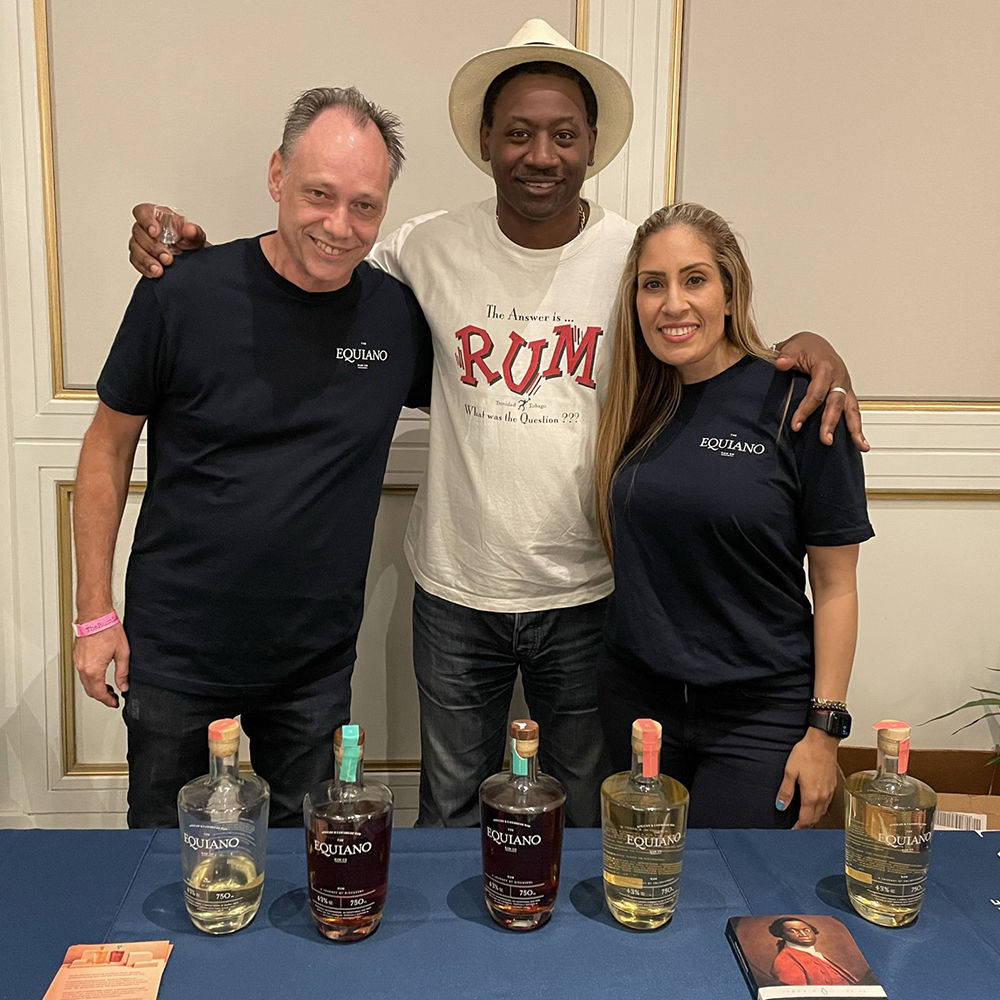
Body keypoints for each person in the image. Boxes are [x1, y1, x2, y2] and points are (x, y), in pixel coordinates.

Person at [124, 21, 867, 829]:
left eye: (563, 134)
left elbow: (703, 339)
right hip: (455, 593)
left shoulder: (633, 258)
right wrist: (197, 261)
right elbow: (315, 274)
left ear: (592, 144)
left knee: (585, 814)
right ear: (485, 141)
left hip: (590, 593)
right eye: (517, 133)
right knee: (450, 811)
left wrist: (808, 347)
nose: (540, 154)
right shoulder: (423, 246)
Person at [73, 87, 433, 827]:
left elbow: (495, 401)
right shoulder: (182, 293)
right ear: (276, 175)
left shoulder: (397, 320)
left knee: (307, 869)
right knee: (168, 864)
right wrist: (93, 615)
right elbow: (107, 444)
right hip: (175, 655)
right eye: (319, 194)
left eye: (364, 205)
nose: (339, 225)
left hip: (313, 668)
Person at [594, 203, 873, 829]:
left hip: (760, 713)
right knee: (641, 876)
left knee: (736, 881)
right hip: (638, 704)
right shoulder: (634, 401)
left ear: (729, 290)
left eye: (694, 279)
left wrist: (824, 732)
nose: (673, 304)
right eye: (653, 284)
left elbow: (836, 586)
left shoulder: (802, 404)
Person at [768, 918, 860, 986]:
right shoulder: (785, 960)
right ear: (783, 935)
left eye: (807, 930)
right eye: (793, 931)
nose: (803, 934)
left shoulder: (819, 955)